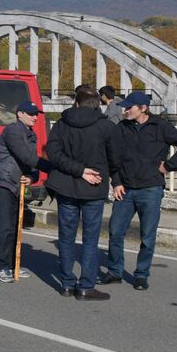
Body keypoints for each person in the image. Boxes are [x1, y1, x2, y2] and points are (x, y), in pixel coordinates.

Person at [102, 92, 177, 290]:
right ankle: (115, 272)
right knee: (115, 232)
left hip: (151, 189)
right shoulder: (122, 127)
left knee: (147, 235)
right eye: (125, 107)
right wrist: (116, 182)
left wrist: (169, 166)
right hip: (125, 189)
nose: (125, 110)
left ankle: (141, 275)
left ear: (143, 108)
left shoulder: (160, 126)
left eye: (130, 107)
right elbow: (113, 157)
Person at [45, 85, 119, 301]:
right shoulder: (106, 127)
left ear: (76, 103)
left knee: (66, 237)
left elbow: (53, 153)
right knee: (90, 239)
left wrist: (77, 170)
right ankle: (86, 286)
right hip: (94, 188)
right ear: (97, 105)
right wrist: (112, 179)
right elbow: (116, 159)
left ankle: (67, 284)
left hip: (66, 187)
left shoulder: (61, 124)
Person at [0, 101, 47, 282]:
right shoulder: (13, 130)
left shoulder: (30, 134)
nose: (35, 117)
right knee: (5, 226)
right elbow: (26, 157)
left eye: (36, 114)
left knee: (15, 227)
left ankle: (14, 265)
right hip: (4, 181)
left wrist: (32, 177)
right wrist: (54, 167)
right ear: (20, 114)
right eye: (31, 114)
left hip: (17, 183)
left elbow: (30, 163)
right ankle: (2, 267)